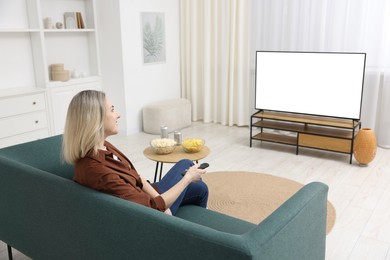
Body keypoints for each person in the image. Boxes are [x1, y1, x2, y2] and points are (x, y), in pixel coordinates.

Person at [62, 90, 208, 215]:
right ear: (95, 119)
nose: (118, 114)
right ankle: (188, 233)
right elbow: (152, 209)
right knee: (191, 174)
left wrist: (159, 196)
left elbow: (137, 177)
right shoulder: (96, 170)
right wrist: (187, 179)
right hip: (149, 214)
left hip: (143, 195)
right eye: (112, 110)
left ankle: (194, 227)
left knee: (196, 181)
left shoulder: (103, 145)